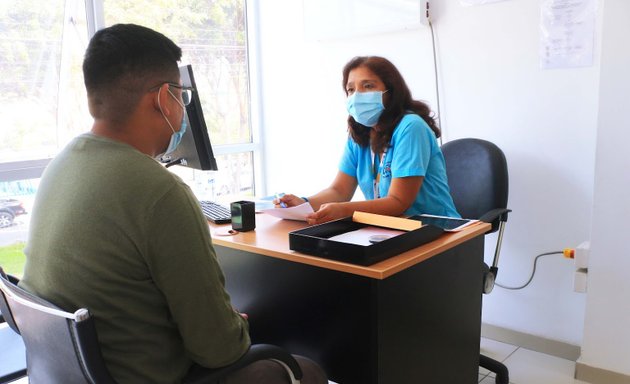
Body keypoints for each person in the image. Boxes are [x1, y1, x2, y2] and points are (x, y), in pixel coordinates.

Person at [19, 24, 326, 384]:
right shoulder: (160, 192)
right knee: (307, 370)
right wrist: (229, 326)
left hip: (71, 373)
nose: (182, 107)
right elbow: (221, 351)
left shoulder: (62, 165)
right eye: (182, 96)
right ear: (164, 98)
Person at [276, 56, 459, 225]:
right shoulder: (359, 133)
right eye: (351, 89)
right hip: (391, 230)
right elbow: (339, 191)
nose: (357, 95)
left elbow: (398, 202)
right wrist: (304, 204)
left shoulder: (411, 127)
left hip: (439, 233)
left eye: (368, 86)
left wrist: (344, 211)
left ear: (391, 91)